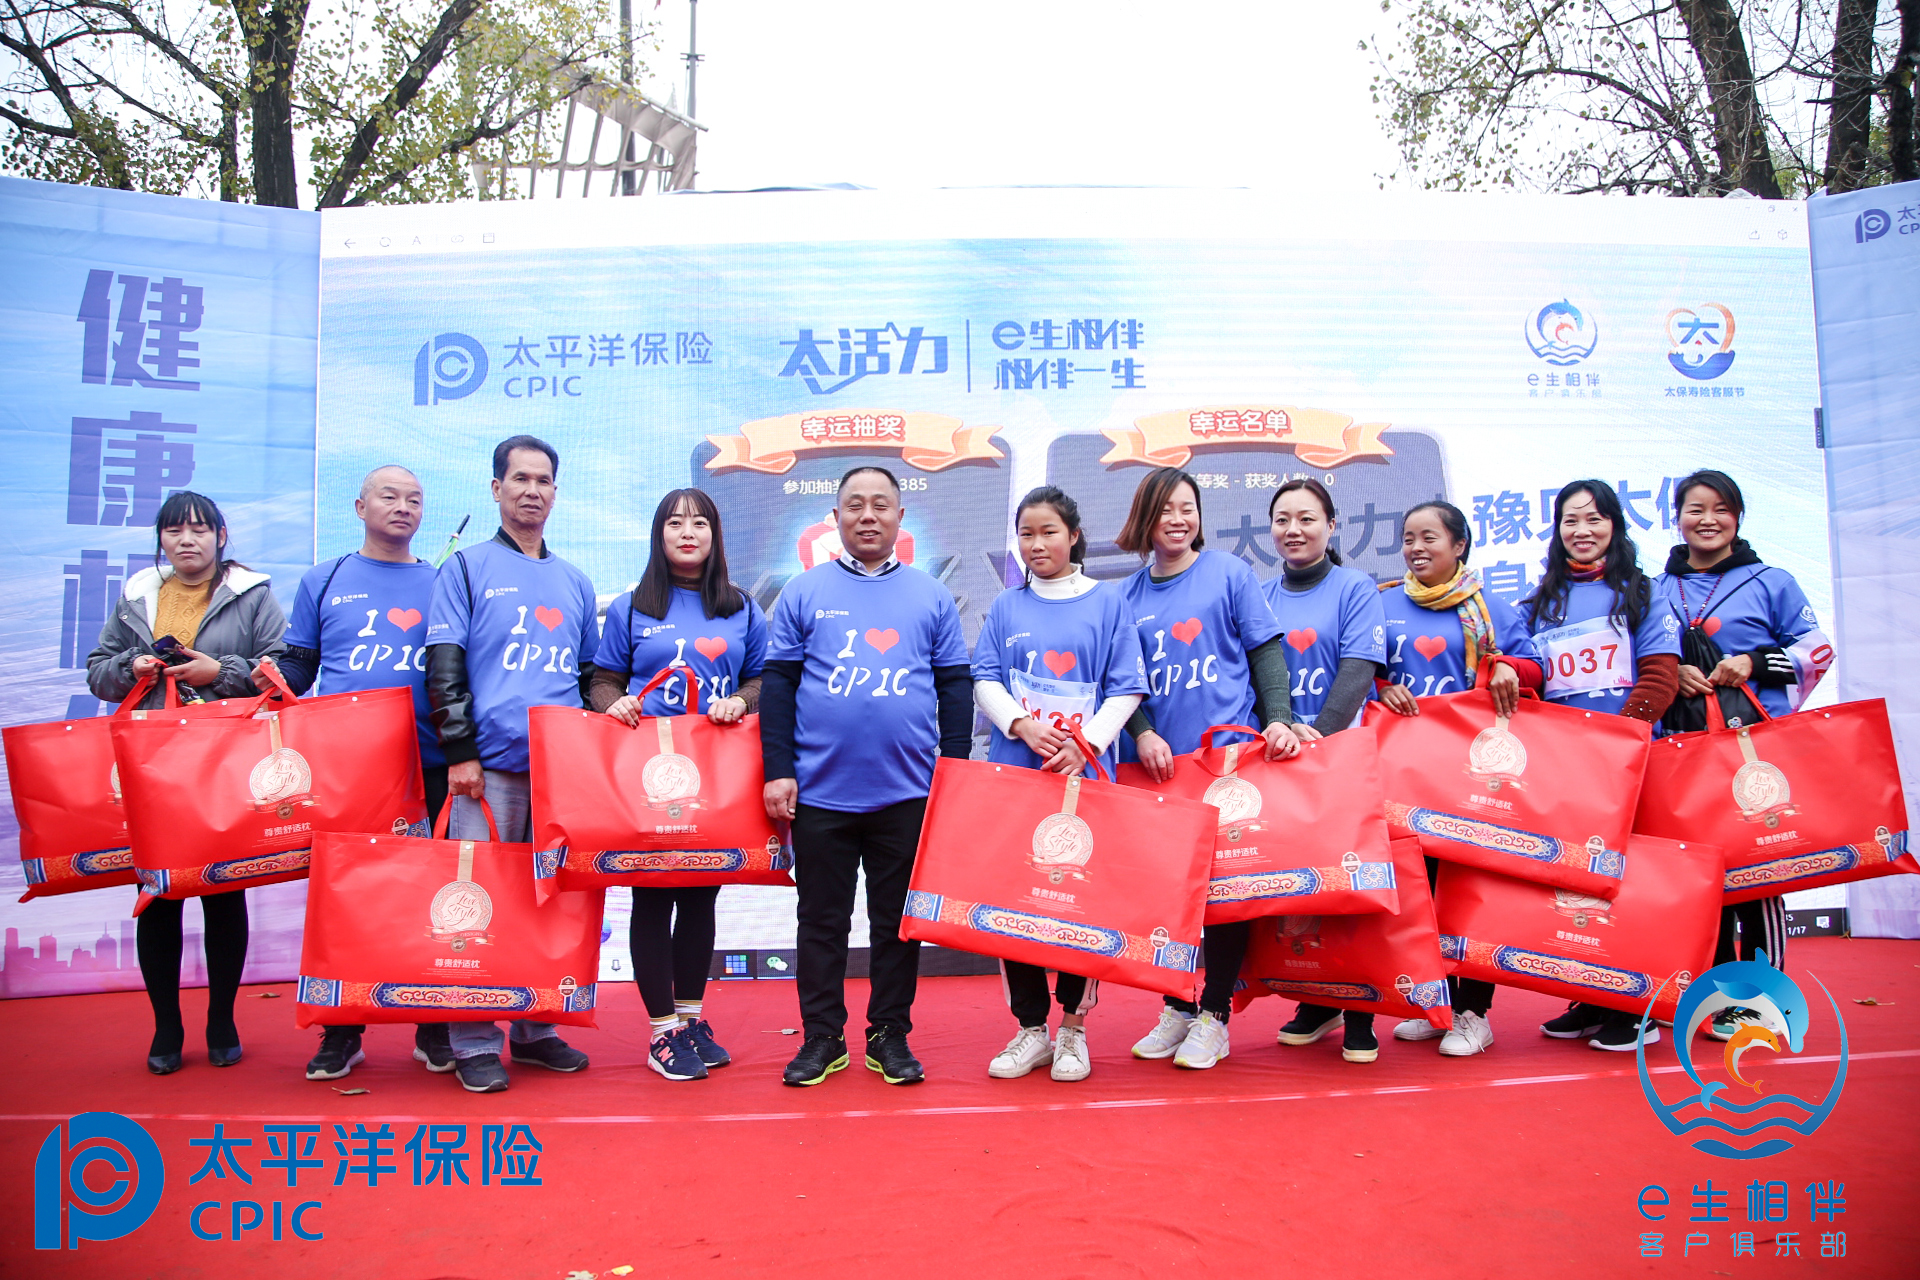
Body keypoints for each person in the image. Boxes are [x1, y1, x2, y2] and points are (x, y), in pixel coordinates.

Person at [760, 465, 972, 1087]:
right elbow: (779, 686)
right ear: (836, 518)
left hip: (906, 791)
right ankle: (822, 1037)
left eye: (881, 504)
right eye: (855, 505)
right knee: (820, 921)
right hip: (820, 791)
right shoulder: (803, 591)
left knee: (895, 923)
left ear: (900, 517)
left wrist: (954, 771)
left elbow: (954, 687)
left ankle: (889, 1034)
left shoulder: (930, 595)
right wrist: (779, 770)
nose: (868, 515)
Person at [261, 465, 456, 1082]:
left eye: (414, 499)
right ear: (359, 506)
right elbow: (300, 665)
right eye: (389, 496)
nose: (403, 507)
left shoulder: (444, 581)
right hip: (348, 769)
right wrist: (261, 682)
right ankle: (341, 1030)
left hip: (430, 763)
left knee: (432, 894)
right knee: (345, 899)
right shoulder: (324, 579)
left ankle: (434, 1025)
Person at [86, 491, 287, 1074]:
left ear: (221, 536)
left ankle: (221, 1019)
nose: (187, 540)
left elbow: (280, 669)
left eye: (200, 529)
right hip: (153, 766)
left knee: (224, 889)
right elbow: (98, 671)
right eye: (175, 531)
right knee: (157, 894)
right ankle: (166, 1026)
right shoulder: (137, 597)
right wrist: (131, 667)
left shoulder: (252, 594)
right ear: (161, 540)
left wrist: (217, 671)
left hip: (225, 763)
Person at [424, 435, 601, 1093]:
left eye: (543, 480)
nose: (532, 490)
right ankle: (473, 1039)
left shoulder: (576, 582)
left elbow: (589, 678)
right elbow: (443, 665)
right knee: (477, 903)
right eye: (520, 479)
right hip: (486, 771)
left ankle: (535, 1028)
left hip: (559, 775)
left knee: (547, 902)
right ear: (496, 489)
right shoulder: (466, 569)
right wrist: (460, 752)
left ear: (555, 492)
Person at [1117, 466, 1301, 1071]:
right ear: (1145, 518)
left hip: (1230, 764)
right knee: (1169, 896)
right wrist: (1142, 733)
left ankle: (1215, 1014)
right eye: (1166, 509)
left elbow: (1264, 651)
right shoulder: (1126, 598)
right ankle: (1177, 1004)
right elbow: (1119, 684)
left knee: (1226, 894)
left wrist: (1279, 718)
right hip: (1160, 771)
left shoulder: (1229, 573)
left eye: (1187, 507)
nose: (1178, 519)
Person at [971, 486, 1148, 1082]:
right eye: (1026, 534)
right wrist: (1021, 724)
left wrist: (1085, 744)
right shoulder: (1006, 607)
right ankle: (1030, 1029)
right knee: (1013, 901)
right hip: (1017, 777)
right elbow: (985, 678)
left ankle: (1073, 1028)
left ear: (1073, 536)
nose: (1036, 544)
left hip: (1086, 779)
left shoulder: (1109, 603)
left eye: (1048, 531)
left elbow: (1126, 686)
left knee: (1080, 900)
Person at [590, 488, 767, 1082]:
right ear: (658, 535)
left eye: (699, 523)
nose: (687, 533)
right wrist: (614, 704)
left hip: (715, 772)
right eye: (674, 523)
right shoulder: (631, 607)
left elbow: (763, 678)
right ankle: (661, 1031)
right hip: (649, 774)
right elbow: (602, 679)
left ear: (715, 535)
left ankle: (690, 1019)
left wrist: (742, 700)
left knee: (700, 896)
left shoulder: (741, 607)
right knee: (652, 895)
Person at [1654, 469, 1832, 1040]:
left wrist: (1754, 662)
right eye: (1695, 509)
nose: (1707, 520)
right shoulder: (1655, 589)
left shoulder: (1772, 582)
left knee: (1759, 869)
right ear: (1676, 518)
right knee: (1697, 879)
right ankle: (1709, 997)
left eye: (1721, 509)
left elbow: (1816, 650)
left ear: (1738, 518)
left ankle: (1758, 1001)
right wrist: (1670, 673)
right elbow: (1638, 660)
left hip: (1751, 754)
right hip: (1678, 751)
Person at [1518, 480, 1681, 1052]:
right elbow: (1533, 678)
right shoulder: (1540, 601)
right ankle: (1592, 995)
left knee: (1630, 885)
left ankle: (1639, 1008)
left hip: (1627, 763)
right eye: (1570, 520)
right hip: (1566, 769)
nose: (1582, 531)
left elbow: (1660, 676)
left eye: (1594, 519)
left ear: (1615, 524)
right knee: (1580, 886)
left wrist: (1620, 741)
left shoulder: (1642, 592)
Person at [1375, 500, 1541, 1058]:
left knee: (1470, 890)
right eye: (1408, 538)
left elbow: (1536, 670)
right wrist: (1383, 689)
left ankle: (1475, 1012)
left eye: (1429, 537)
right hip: (1405, 772)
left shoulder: (1490, 606)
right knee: (1421, 888)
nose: (1416, 548)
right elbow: (1363, 669)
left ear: (1459, 544)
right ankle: (1437, 1002)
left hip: (1472, 774)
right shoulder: (1383, 603)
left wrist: (1509, 667)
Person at [1262, 478, 1392, 1064]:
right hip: (1279, 755)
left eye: (1307, 519)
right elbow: (1257, 673)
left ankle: (1362, 1009)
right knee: (1298, 885)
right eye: (1282, 520)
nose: (1294, 530)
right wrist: (1281, 729)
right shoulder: (1261, 595)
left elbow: (1358, 667)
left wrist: (1321, 735)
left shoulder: (1355, 587)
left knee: (1351, 884)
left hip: (1341, 756)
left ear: (1332, 526)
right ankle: (1316, 1000)